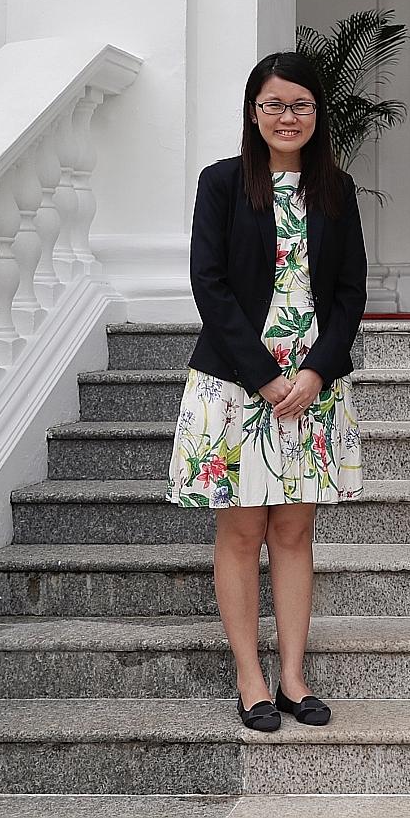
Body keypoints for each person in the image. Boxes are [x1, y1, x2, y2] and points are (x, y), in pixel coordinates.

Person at [168, 51, 368, 732]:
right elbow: (210, 284)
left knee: (294, 529)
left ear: (318, 113)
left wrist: (315, 372)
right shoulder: (222, 184)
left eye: (302, 105)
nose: (289, 117)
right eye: (275, 105)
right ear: (254, 113)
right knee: (241, 528)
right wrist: (267, 375)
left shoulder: (336, 190)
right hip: (235, 383)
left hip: (314, 386)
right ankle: (250, 678)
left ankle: (293, 675)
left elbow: (349, 295)